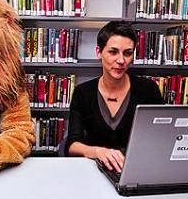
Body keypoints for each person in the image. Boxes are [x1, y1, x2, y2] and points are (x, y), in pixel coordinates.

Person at [65, 22, 163, 171]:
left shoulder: (148, 90)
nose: (121, 60)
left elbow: (160, 137)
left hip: (136, 169)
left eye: (128, 53)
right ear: (99, 52)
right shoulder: (82, 93)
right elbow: (72, 145)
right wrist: (98, 151)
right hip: (95, 168)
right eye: (113, 52)